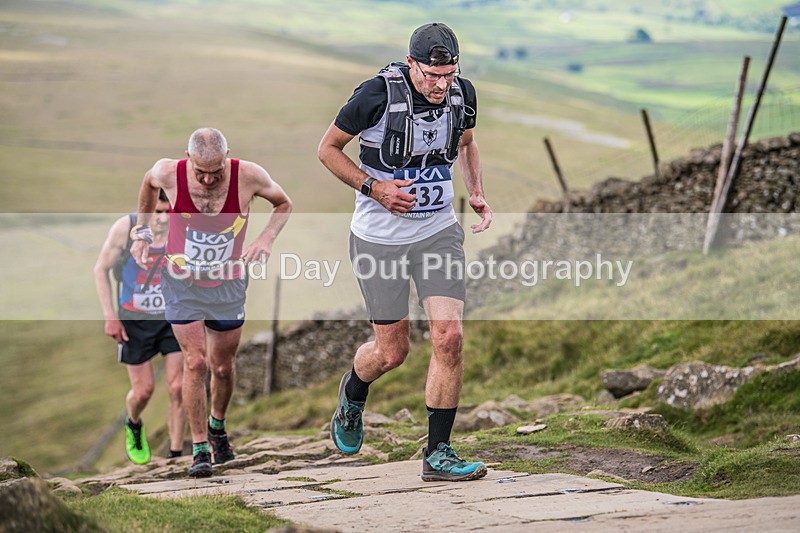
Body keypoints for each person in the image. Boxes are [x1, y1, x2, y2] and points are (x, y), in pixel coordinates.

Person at [318, 22, 492, 481]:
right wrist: (374, 188)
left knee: (449, 337)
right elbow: (328, 149)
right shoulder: (375, 95)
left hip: (438, 232)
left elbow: (468, 144)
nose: (441, 85)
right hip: (380, 238)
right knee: (393, 352)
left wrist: (475, 191)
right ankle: (353, 393)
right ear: (412, 63)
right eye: (432, 75)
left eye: (449, 74)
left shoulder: (462, 93)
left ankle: (438, 454)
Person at [131, 128, 292, 477]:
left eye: (216, 172)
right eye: (200, 171)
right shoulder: (168, 172)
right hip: (181, 281)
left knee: (222, 366)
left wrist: (265, 237)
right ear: (188, 158)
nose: (207, 178)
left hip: (228, 282)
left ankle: (217, 425)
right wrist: (142, 231)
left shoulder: (248, 175)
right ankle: (200, 447)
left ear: (227, 157)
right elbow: (147, 184)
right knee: (195, 362)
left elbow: (284, 202)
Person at [93, 190, 187, 465]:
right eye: (157, 212)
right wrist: (110, 315)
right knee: (143, 391)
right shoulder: (125, 228)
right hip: (134, 320)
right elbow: (100, 269)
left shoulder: (182, 228)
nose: (162, 219)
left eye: (168, 213)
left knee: (178, 387)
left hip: (172, 317)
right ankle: (133, 422)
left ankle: (175, 454)